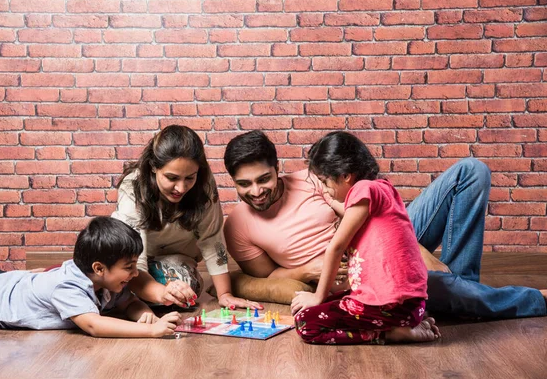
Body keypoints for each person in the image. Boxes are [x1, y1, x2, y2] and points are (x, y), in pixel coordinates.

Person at [223, 130, 547, 319]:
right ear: (233, 182)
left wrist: (422, 253)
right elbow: (265, 277)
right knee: (445, 288)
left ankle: (463, 285)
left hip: (379, 234)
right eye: (244, 184)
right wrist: (308, 271)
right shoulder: (237, 224)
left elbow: (376, 212)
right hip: (362, 270)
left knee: (471, 171)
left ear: (277, 167)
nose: (256, 191)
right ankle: (520, 298)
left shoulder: (312, 180)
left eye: (263, 179)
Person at [290, 131, 440, 344]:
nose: (325, 189)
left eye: (325, 182)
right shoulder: (381, 189)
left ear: (345, 175)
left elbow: (336, 247)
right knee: (330, 301)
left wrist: (317, 296)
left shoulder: (364, 189)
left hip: (394, 307)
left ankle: (391, 333)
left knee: (306, 322)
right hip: (409, 307)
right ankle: (404, 325)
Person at [0, 216, 181, 337]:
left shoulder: (107, 284)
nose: (135, 273)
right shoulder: (68, 286)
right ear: (99, 269)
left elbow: (130, 302)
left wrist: (146, 315)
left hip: (0, 281)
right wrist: (151, 331)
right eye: (129, 266)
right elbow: (93, 325)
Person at [112, 125, 261, 310]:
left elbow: (212, 239)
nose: (181, 188)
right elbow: (132, 255)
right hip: (137, 260)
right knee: (118, 281)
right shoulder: (132, 187)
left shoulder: (204, 185)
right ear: (153, 167)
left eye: (189, 178)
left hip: (179, 260)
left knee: (182, 286)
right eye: (172, 178)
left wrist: (224, 294)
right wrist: (160, 292)